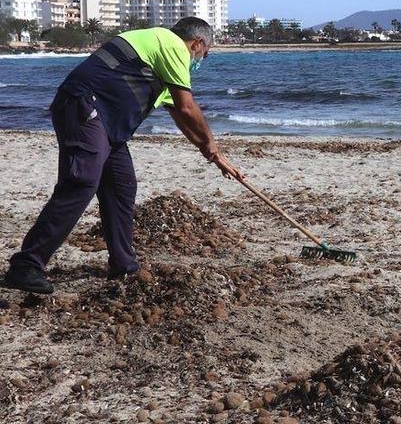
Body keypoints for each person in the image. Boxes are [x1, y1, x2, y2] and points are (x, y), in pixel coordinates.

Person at [2, 17, 242, 294]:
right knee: (81, 182)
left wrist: (213, 155)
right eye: (205, 53)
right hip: (84, 108)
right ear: (197, 42)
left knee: (121, 186)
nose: (202, 58)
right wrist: (211, 144)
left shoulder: (159, 58)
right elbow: (187, 108)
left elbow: (179, 114)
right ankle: (26, 265)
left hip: (106, 125)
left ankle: (123, 264)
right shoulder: (173, 45)